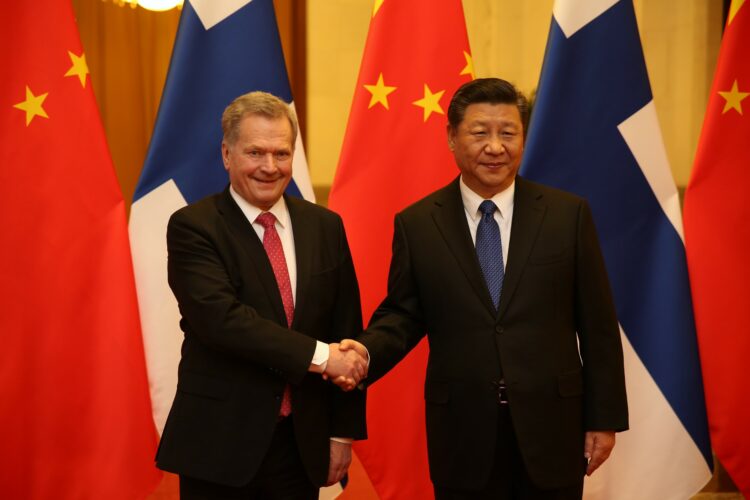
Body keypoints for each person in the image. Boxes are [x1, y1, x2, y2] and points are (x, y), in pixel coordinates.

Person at [340, 78, 628, 499]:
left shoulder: (568, 216)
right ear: (452, 138)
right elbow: (403, 313)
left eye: (508, 133)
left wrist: (603, 418)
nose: (495, 146)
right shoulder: (418, 224)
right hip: (462, 434)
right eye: (480, 133)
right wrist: (363, 354)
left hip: (553, 429)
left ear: (523, 138)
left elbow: (598, 325)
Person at [155, 91, 368, 499]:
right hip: (220, 445)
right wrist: (324, 358)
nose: (270, 167)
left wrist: (342, 433)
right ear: (227, 154)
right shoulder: (194, 227)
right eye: (255, 152)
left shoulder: (325, 226)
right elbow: (223, 321)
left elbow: (347, 328)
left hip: (301, 445)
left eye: (281, 154)